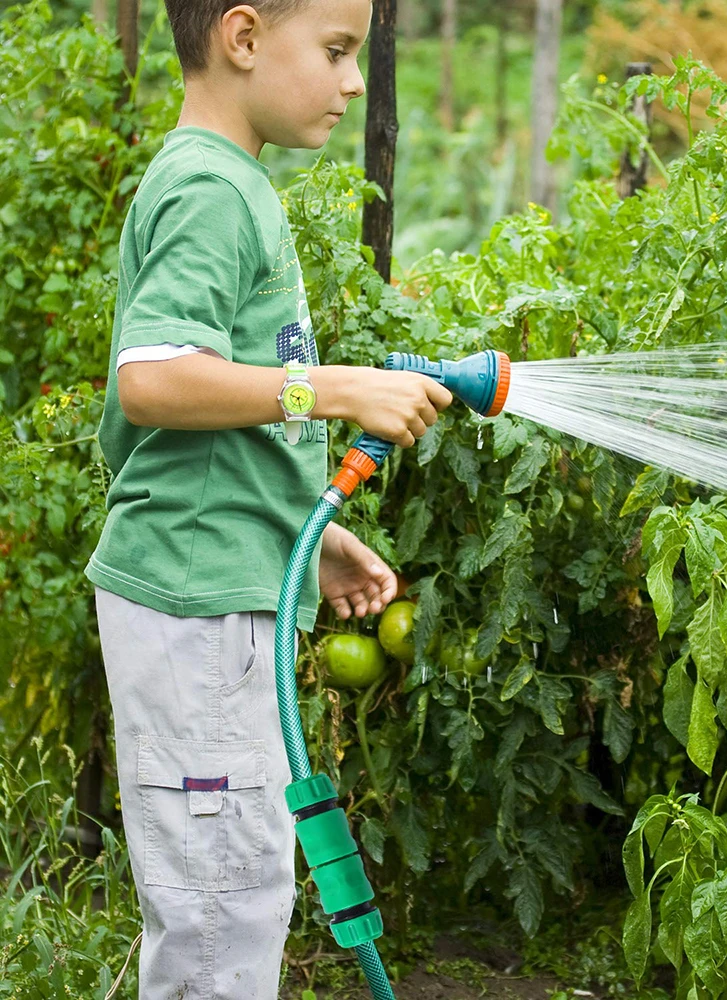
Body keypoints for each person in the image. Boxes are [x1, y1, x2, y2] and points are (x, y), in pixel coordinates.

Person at [84, 2, 452, 996]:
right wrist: (333, 385)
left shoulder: (223, 182)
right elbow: (154, 379)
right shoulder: (209, 187)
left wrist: (299, 532)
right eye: (336, 51)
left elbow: (200, 424)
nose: (354, 82)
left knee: (238, 888)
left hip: (212, 584)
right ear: (242, 40)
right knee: (219, 913)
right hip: (193, 604)